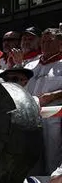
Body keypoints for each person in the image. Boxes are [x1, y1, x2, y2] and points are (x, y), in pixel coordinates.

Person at [27, 28, 62, 174]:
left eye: (49, 41)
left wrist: (53, 95)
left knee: (53, 156)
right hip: (32, 117)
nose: (45, 45)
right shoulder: (30, 65)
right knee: (31, 156)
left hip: (55, 119)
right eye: (43, 41)